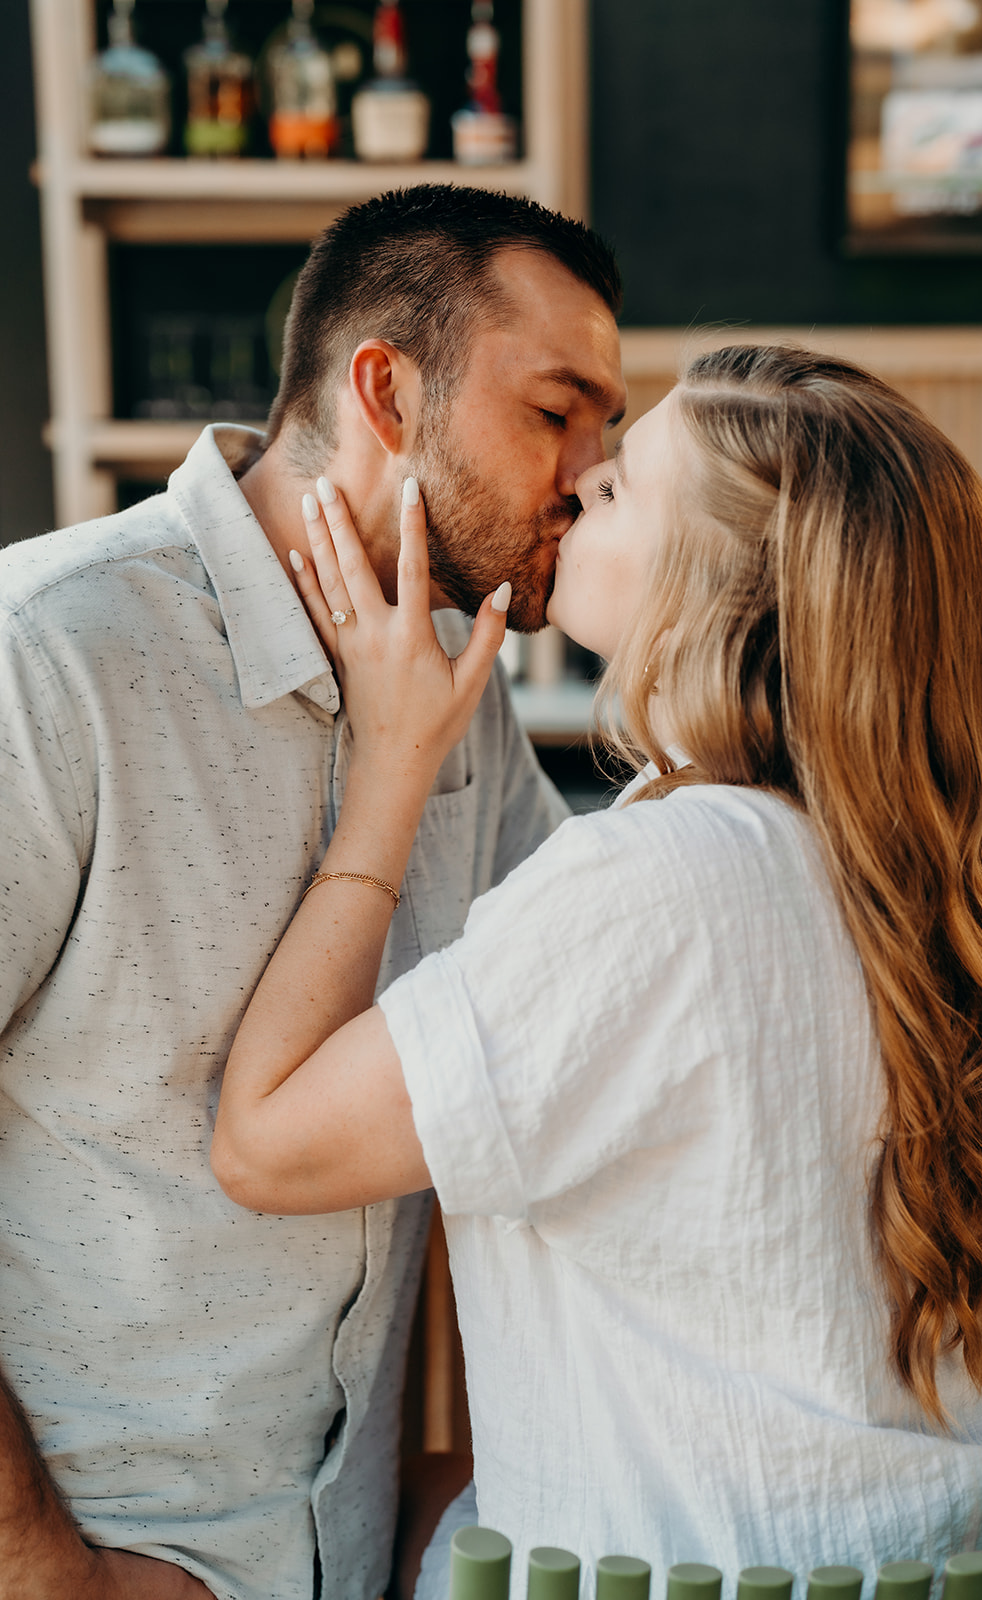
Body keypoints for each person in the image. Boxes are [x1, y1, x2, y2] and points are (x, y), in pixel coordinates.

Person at [212, 343, 982, 1596]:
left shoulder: (654, 887)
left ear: (719, 594)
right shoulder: (933, 881)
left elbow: (267, 1142)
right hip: (974, 1557)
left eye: (614, 490)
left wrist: (390, 772)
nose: (571, 490)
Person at [0, 184, 625, 1600]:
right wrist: (41, 1572)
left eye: (610, 432)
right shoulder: (49, 654)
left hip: (352, 1559)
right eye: (552, 415)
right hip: (105, 1551)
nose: (588, 475)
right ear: (384, 394)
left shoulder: (458, 689)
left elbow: (586, 997)